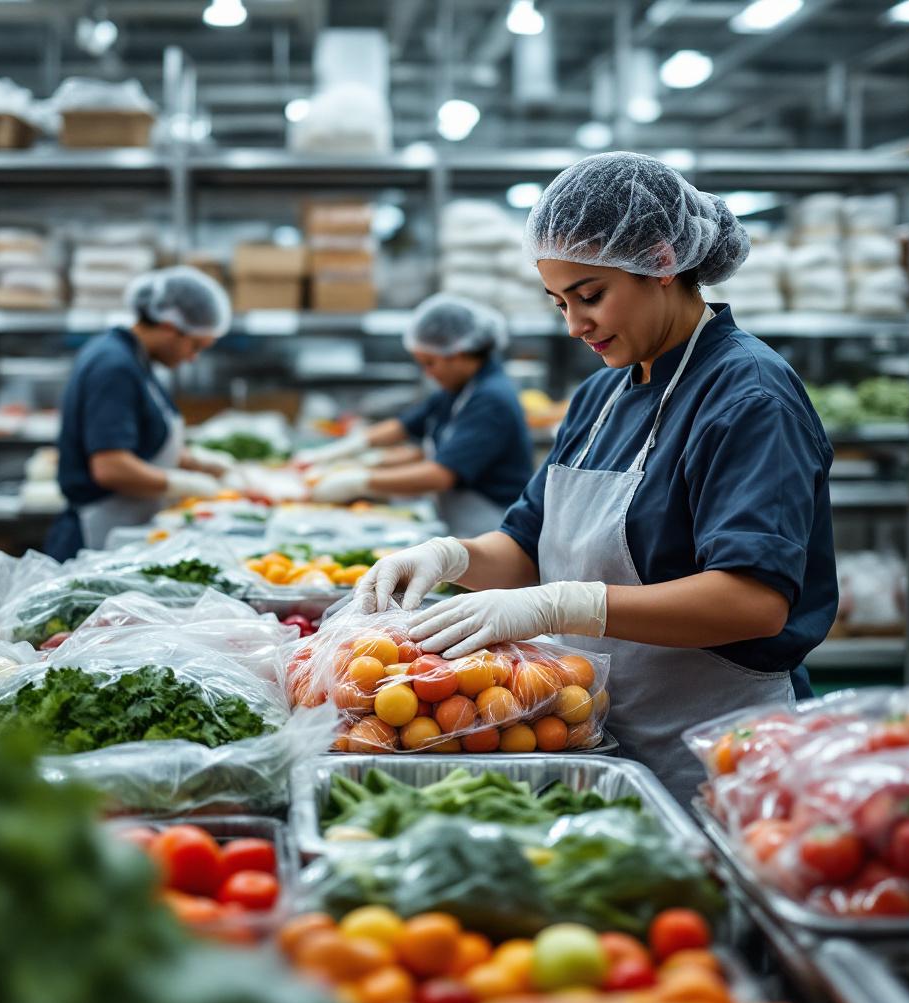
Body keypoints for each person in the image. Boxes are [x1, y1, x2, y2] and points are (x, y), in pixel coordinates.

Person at [356, 152, 838, 803]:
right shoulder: (601, 395)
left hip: (720, 748)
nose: (574, 325)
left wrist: (567, 604)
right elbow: (527, 545)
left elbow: (753, 601)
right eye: (558, 302)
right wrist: (446, 557)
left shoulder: (748, 395)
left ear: (662, 262)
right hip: (596, 737)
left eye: (590, 296)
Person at [298, 294, 534, 536]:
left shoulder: (491, 399)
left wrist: (357, 481)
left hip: (492, 524)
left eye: (430, 363)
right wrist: (339, 452)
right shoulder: (460, 388)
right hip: (464, 522)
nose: (427, 373)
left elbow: (441, 475)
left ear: (460, 353)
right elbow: (403, 426)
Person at [45, 266, 235, 560]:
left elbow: (145, 442)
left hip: (121, 530)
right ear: (170, 327)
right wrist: (183, 484)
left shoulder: (133, 359)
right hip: (96, 540)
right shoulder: (114, 366)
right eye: (195, 345)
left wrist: (202, 463)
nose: (193, 357)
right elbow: (111, 467)